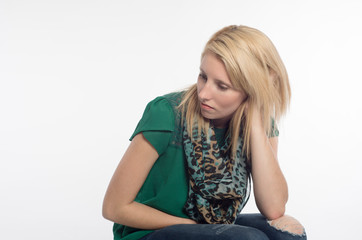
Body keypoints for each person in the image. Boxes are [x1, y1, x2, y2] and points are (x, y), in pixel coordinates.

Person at [102, 25, 307, 240]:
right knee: (247, 239)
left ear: (250, 92)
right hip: (150, 232)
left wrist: (255, 122)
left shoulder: (260, 122)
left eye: (222, 86)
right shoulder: (167, 112)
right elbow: (114, 207)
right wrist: (191, 225)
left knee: (287, 235)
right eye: (203, 76)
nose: (204, 93)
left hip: (211, 228)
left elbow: (274, 208)